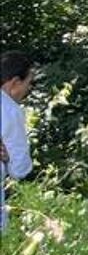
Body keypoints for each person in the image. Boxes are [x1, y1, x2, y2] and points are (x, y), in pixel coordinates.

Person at [1, 50, 35, 231]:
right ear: (15, 82)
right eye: (28, 83)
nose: (28, 89)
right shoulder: (10, 110)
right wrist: (8, 160)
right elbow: (20, 169)